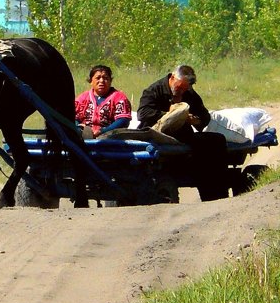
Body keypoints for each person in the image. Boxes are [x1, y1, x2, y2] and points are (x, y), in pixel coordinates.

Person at [137, 64, 229, 201]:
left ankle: (215, 194)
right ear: (172, 77)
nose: (181, 92)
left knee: (217, 140)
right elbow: (143, 114)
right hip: (156, 134)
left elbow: (204, 116)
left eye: (184, 89)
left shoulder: (189, 92)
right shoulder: (154, 90)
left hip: (182, 135)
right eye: (179, 88)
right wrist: (173, 114)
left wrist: (196, 121)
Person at [74, 64, 132, 139]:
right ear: (91, 81)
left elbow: (123, 120)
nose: (101, 81)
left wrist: (102, 131)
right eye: (98, 78)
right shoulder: (82, 98)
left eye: (105, 78)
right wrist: (79, 125)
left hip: (109, 135)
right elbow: (72, 116)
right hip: (84, 134)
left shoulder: (119, 97)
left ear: (110, 81)